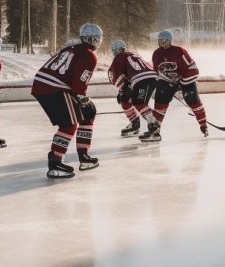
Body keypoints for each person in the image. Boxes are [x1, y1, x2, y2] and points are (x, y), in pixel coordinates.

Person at [31, 23, 102, 178]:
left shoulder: (71, 48)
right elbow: (78, 87)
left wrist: (83, 101)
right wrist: (83, 99)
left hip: (44, 84)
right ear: (96, 39)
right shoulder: (90, 55)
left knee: (87, 114)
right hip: (53, 87)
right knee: (69, 124)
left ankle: (83, 155)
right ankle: (55, 162)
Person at [147, 29, 210, 142]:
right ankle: (155, 131)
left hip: (185, 79)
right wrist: (166, 82)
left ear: (169, 40)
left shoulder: (180, 51)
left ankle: (203, 125)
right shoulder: (156, 53)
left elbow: (193, 69)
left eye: (162, 40)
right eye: (159, 40)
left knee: (193, 101)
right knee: (160, 100)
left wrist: (182, 82)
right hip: (168, 82)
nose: (160, 42)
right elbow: (157, 70)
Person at [108, 39, 160, 136]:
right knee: (128, 101)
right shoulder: (134, 54)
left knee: (138, 102)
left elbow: (114, 76)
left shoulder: (118, 57)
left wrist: (122, 89)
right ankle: (135, 124)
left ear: (114, 51)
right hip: (152, 77)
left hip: (141, 80)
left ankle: (154, 127)